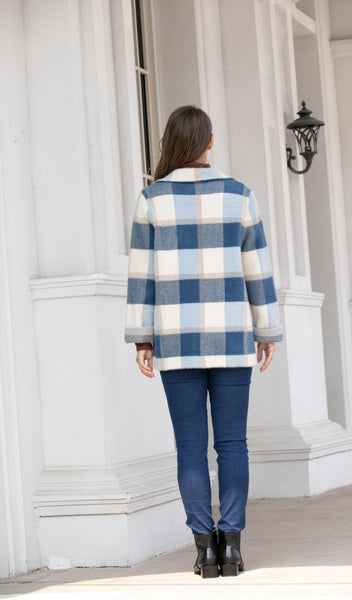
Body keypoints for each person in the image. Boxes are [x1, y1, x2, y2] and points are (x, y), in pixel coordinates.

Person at [124, 105, 283, 578]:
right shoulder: (240, 195)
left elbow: (141, 276)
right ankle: (231, 547)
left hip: (176, 341)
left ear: (170, 142)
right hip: (232, 337)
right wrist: (266, 329)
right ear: (210, 142)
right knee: (233, 444)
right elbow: (258, 269)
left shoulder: (151, 200)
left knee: (190, 447)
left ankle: (204, 551)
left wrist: (143, 340)